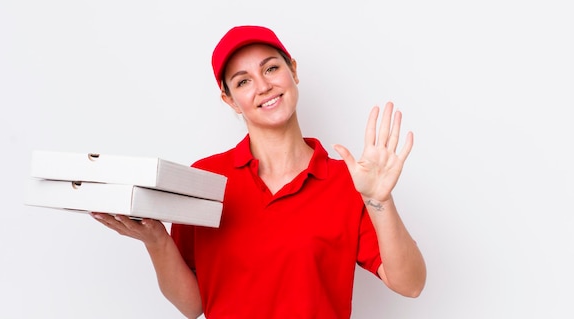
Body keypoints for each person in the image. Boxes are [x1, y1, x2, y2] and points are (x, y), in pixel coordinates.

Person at [91, 25, 426, 319]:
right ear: (230, 99)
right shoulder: (205, 179)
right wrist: (157, 241)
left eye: (271, 68)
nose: (263, 86)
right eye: (243, 81)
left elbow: (410, 284)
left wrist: (379, 199)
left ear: (293, 71)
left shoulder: (348, 181)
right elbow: (193, 306)